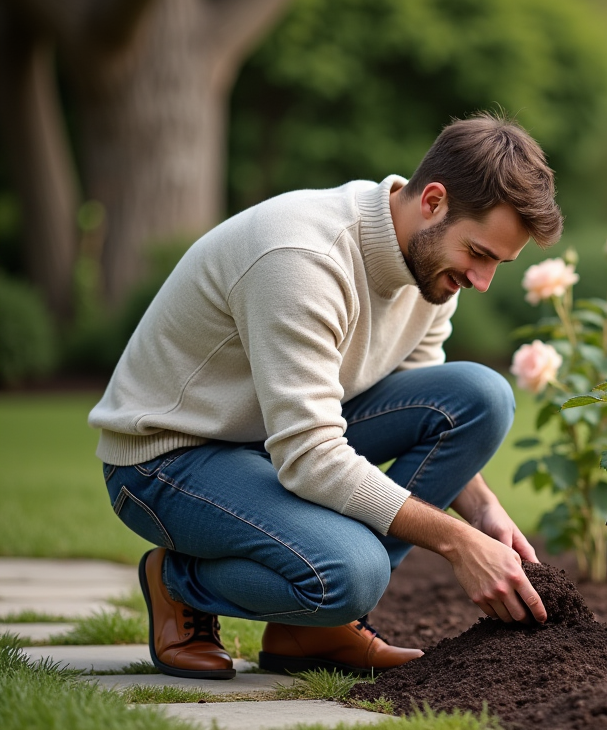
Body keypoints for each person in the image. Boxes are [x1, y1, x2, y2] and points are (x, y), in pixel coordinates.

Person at [88, 114, 556, 680]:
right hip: (169, 459)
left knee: (482, 395)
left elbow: (429, 404)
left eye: (497, 265)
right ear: (433, 200)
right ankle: (178, 584)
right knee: (353, 574)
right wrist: (460, 544)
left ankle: (310, 631)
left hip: (270, 438)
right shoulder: (302, 257)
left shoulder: (432, 267)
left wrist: (481, 510)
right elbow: (310, 456)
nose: (482, 281)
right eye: (479, 254)